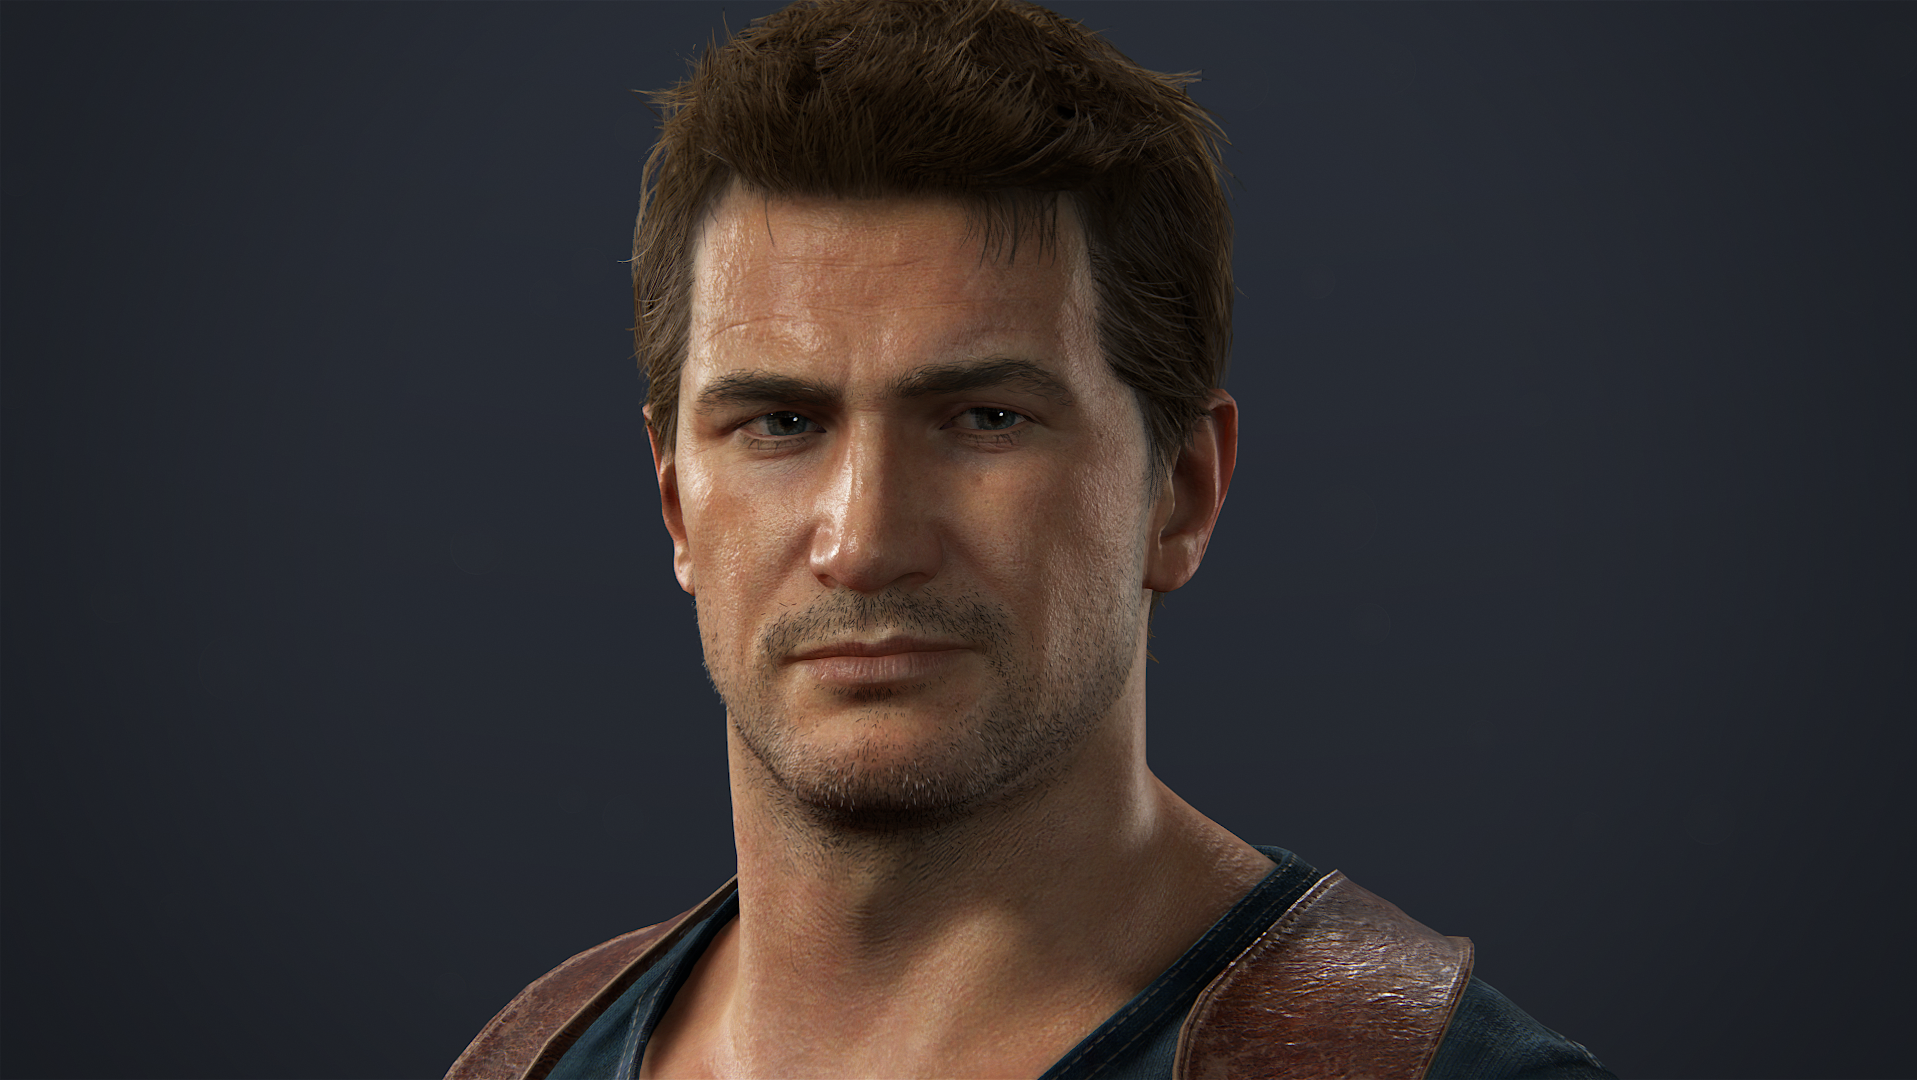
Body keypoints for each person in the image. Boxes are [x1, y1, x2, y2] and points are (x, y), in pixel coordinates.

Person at [448, 2, 1615, 1077]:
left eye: (985, 419)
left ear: (1182, 492)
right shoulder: (534, 1058)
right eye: (782, 424)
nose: (865, 542)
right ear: (674, 504)